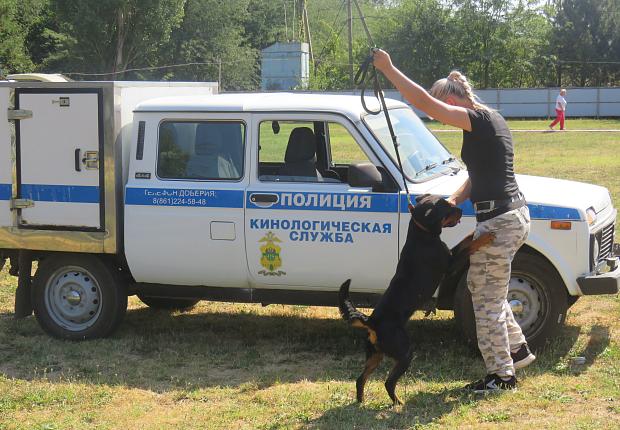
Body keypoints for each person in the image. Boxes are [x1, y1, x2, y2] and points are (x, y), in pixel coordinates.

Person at [372, 49, 535, 393]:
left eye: (441, 107)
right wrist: (453, 200)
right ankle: (517, 350)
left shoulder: (476, 118)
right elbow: (479, 175)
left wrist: (389, 68)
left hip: (501, 220)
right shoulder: (492, 120)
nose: (441, 118)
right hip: (508, 216)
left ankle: (502, 376)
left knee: (486, 301)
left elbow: (422, 102)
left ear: (452, 97)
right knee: (485, 288)